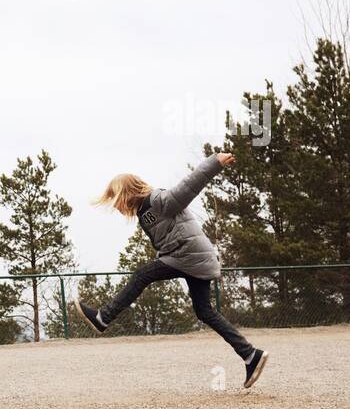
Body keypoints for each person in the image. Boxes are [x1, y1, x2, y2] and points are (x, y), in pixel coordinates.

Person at [70, 152, 269, 388]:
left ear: (127, 193)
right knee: (204, 312)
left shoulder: (159, 200)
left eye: (116, 199)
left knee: (142, 275)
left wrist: (214, 162)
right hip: (190, 258)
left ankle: (104, 317)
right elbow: (168, 238)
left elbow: (189, 185)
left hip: (188, 256)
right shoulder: (146, 213)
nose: (117, 206)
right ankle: (250, 355)